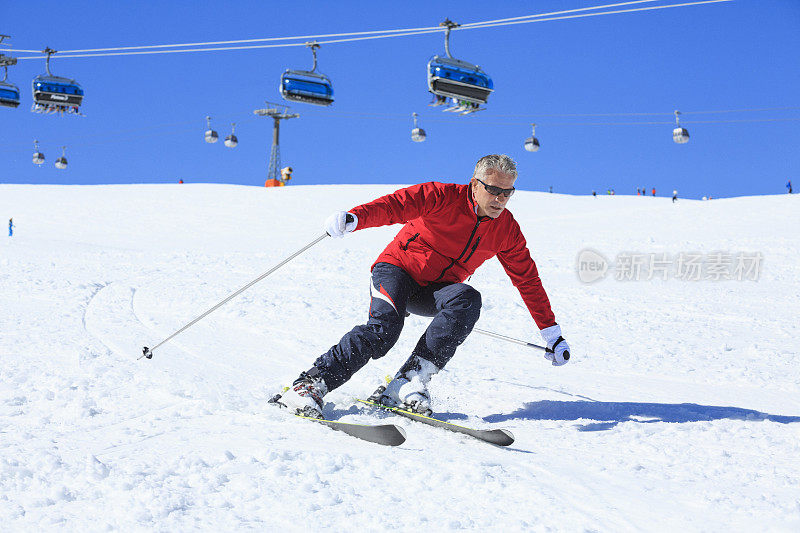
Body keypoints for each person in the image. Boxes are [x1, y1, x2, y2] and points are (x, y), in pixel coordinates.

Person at [272, 154, 571, 419]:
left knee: (467, 299)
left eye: (507, 192)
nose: (499, 199)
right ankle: (309, 384)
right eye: (492, 190)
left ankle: (406, 383)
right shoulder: (442, 196)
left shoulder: (506, 229)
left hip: (436, 289)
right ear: (474, 184)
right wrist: (356, 218)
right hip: (398, 270)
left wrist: (551, 333)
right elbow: (396, 205)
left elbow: (527, 279)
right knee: (383, 330)